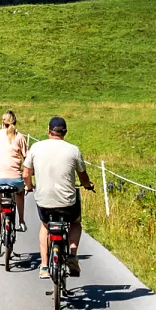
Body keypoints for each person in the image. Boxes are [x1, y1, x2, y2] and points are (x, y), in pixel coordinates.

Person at [23, 116, 95, 279]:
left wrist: (29, 186)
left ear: (48, 131)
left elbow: (26, 173)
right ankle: (72, 255)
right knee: (75, 223)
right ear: (65, 132)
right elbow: (83, 176)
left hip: (44, 201)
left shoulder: (36, 147)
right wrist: (88, 185)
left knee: (45, 226)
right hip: (67, 203)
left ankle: (44, 266)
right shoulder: (73, 150)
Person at [0, 110, 28, 254]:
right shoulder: (19, 137)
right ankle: (21, 221)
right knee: (20, 193)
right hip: (15, 179)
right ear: (15, 122)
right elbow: (27, 159)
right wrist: (28, 180)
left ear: (2, 121)